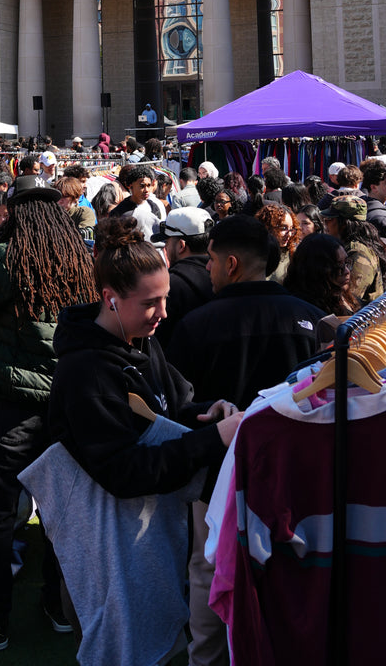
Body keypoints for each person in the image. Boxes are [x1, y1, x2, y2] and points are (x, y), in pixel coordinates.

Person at [46, 217, 240, 663]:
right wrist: (212, 439)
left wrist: (205, 414)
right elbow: (124, 471)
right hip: (106, 555)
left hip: (145, 543)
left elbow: (166, 408)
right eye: (151, 303)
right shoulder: (84, 373)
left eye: (166, 299)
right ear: (110, 299)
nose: (164, 314)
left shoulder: (139, 338)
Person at [167, 215, 323, 666]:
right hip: (294, 476)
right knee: (283, 565)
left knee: (208, 567)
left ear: (231, 263)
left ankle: (208, 657)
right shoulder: (309, 319)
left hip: (218, 476)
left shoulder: (196, 326)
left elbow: (180, 406)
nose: (208, 269)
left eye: (212, 260)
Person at [0, 176, 99, 652]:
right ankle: (57, 606)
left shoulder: (4, 258)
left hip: (8, 407)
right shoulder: (77, 259)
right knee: (60, 513)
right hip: (62, 405)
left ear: (14, 212)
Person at [155, 207, 215, 347]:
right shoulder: (225, 277)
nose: (166, 248)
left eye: (167, 242)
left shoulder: (169, 284)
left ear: (181, 246)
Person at [322, 195, 386, 305]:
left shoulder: (359, 253)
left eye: (330, 219)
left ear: (344, 223)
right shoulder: (350, 246)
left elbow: (349, 298)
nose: (325, 223)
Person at [284, 232, 358, 317]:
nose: (347, 271)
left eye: (346, 262)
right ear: (318, 271)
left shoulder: (345, 298)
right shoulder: (303, 311)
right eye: (338, 266)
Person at [55, 176, 96, 241]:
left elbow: (86, 234)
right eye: (58, 196)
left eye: (65, 197)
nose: (60, 200)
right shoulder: (52, 214)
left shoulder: (84, 212)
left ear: (76, 197)